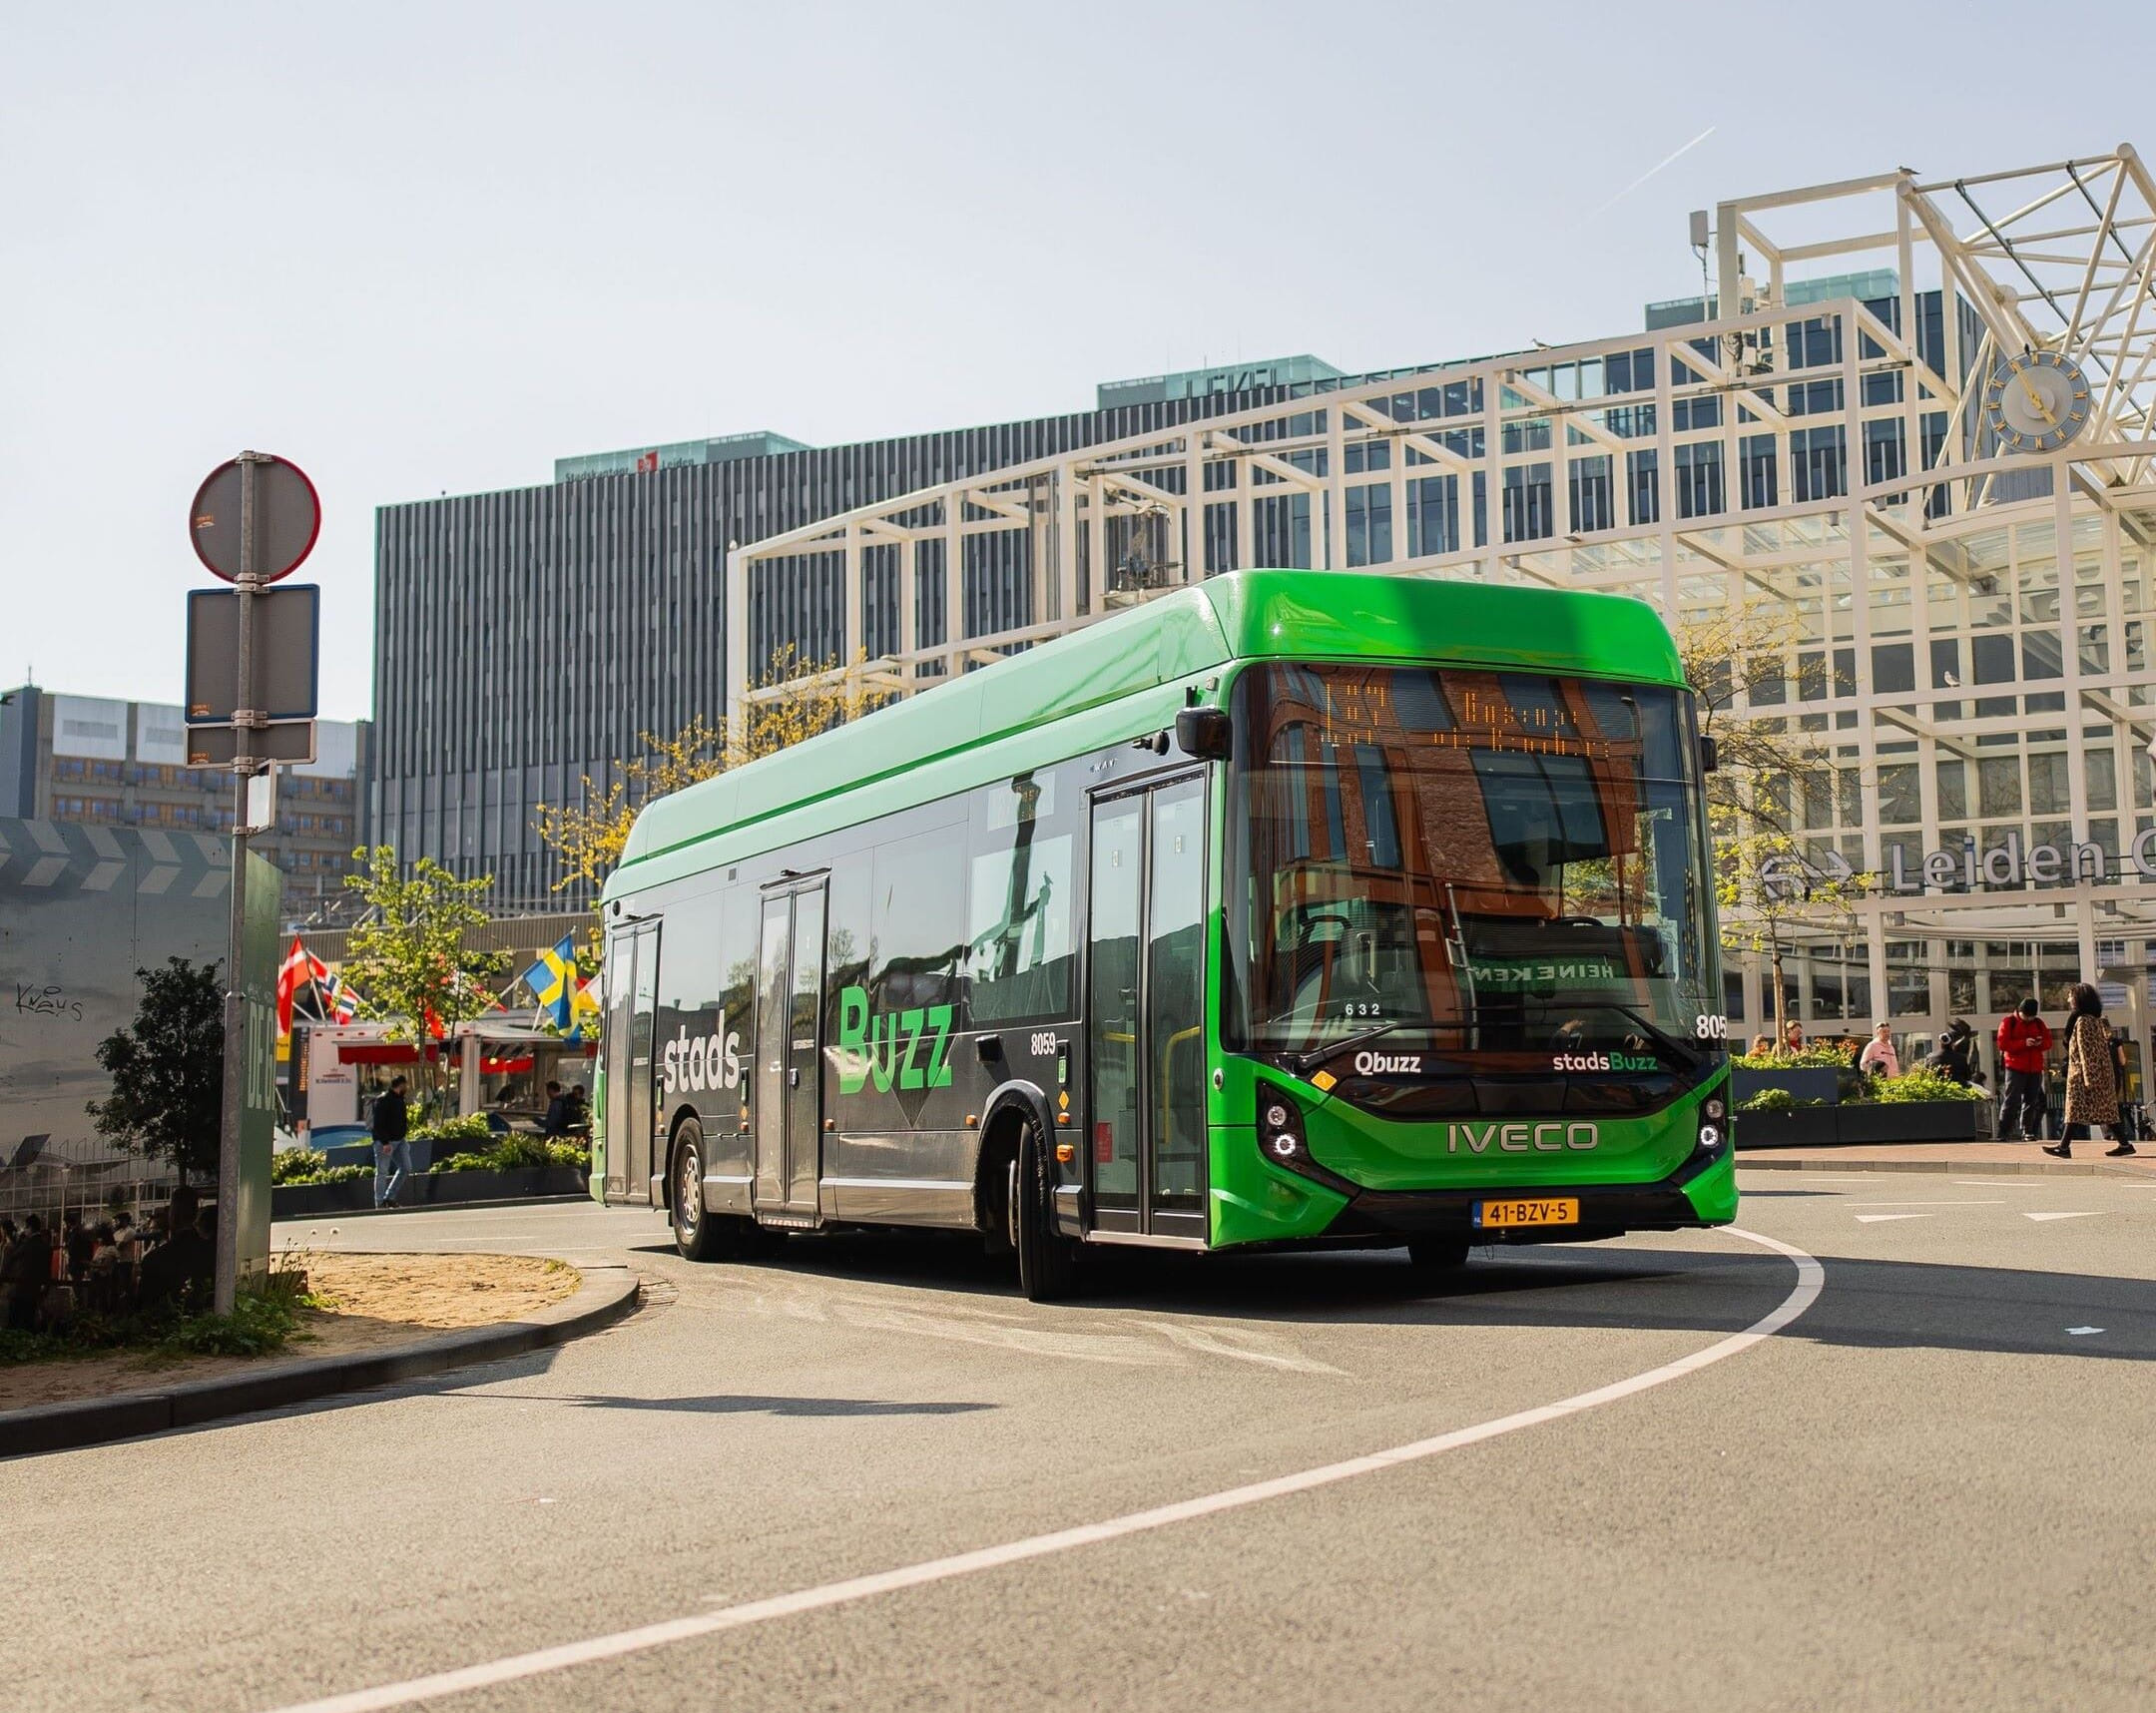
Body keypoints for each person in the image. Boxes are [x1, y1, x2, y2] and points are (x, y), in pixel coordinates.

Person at [2048, 983, 2134, 1159]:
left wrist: (2089, 1079)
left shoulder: (2083, 1021)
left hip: (2083, 1075)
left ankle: (2064, 1147)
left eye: (2071, 996)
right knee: (2105, 1112)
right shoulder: (2094, 1019)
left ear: (2079, 998)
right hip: (2095, 1073)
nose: (2069, 1000)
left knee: (2075, 1111)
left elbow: (2088, 1051)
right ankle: (2124, 1144)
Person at [137, 1187, 214, 1315]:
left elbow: (145, 1308)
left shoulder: (155, 1259)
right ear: (195, 1213)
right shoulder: (212, 1253)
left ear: (172, 1214)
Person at [1996, 999, 2053, 1142]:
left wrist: (2039, 1043)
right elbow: (2003, 1043)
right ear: (2019, 1012)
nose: (2028, 1019)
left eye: (2031, 1017)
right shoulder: (2009, 1022)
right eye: (2026, 1016)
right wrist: (2023, 1043)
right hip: (2015, 1067)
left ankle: (2027, 1131)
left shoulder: (2039, 1023)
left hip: (2034, 1067)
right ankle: (2003, 1131)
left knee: (2031, 1100)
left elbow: (2048, 1042)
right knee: (2011, 1100)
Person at [372, 1074, 413, 1207]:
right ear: (400, 1085)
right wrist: (384, 1142)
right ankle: (380, 1202)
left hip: (399, 1140)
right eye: (405, 1085)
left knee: (406, 1167)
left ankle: (389, 1197)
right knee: (382, 1171)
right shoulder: (384, 1100)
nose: (406, 1087)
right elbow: (378, 1123)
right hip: (386, 1142)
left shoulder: (400, 1099)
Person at [1926, 1018, 1978, 1085]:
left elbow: (1926, 1077)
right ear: (1952, 1043)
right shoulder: (1961, 1059)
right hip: (1957, 1092)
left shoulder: (1930, 1057)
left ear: (1940, 1042)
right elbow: (1968, 1077)